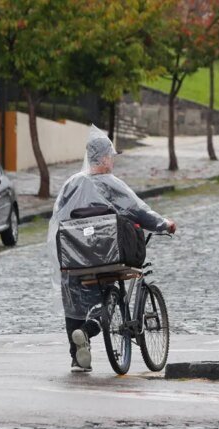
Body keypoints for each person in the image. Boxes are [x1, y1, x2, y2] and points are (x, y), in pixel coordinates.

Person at [47, 126, 176, 373]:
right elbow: (139, 211)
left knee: (73, 303)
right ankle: (86, 332)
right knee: (102, 299)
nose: (112, 161)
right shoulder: (111, 184)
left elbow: (57, 220)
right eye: (111, 157)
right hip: (105, 258)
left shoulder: (71, 184)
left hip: (72, 258)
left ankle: (77, 357)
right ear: (104, 157)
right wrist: (164, 225)